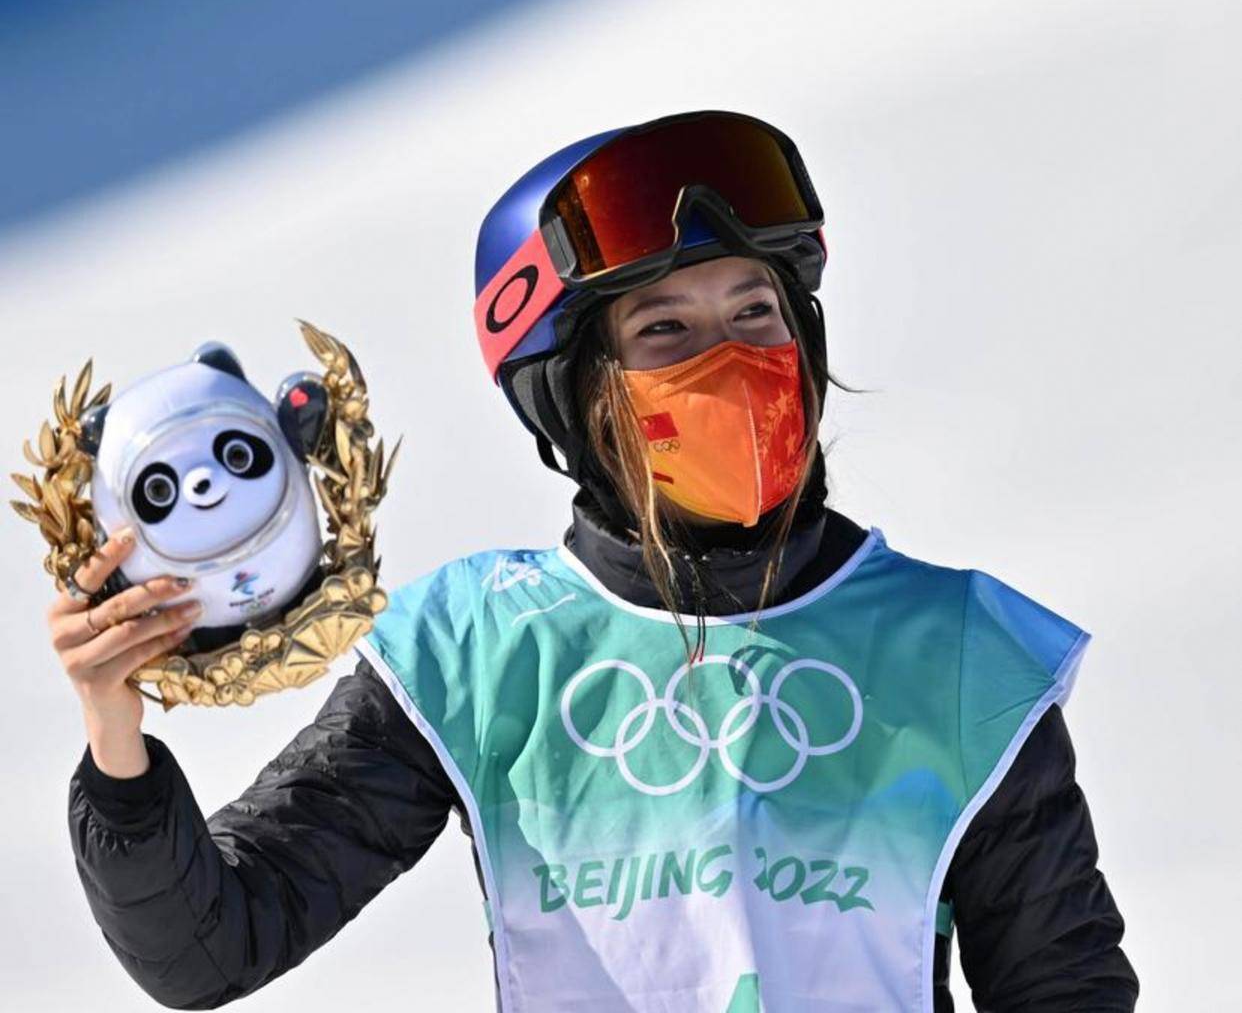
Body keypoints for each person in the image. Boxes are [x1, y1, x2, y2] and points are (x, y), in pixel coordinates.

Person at [59, 110, 1138, 1011]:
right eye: (664, 331)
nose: (730, 361)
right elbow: (212, 947)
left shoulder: (959, 656)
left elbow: (1064, 988)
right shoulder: (478, 652)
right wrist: (116, 741)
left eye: (755, 313)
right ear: (573, 396)